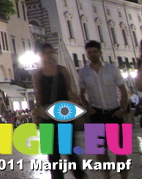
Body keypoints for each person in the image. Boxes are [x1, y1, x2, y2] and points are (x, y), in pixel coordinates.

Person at [79, 40, 129, 179]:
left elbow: (123, 90)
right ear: (87, 54)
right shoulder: (83, 72)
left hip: (114, 112)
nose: (92, 54)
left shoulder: (112, 69)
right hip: (96, 114)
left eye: (95, 51)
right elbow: (81, 92)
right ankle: (106, 176)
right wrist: (88, 108)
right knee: (99, 151)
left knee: (120, 150)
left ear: (100, 53)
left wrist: (122, 109)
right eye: (89, 52)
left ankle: (124, 177)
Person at [33, 43, 84, 179]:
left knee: (70, 153)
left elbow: (70, 91)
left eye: (51, 52)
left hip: (64, 114)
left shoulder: (62, 70)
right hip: (47, 116)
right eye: (46, 52)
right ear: (41, 55)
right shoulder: (38, 74)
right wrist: (37, 113)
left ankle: (79, 176)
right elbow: (39, 95)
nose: (49, 55)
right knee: (52, 155)